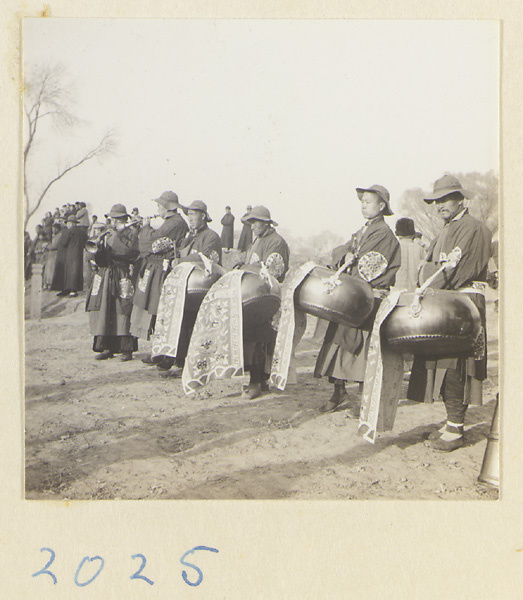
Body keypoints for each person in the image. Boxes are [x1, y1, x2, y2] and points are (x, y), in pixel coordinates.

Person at [407, 174, 492, 451]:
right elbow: (433, 270)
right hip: (448, 302)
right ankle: (451, 421)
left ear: (460, 199)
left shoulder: (473, 228)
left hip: (463, 304)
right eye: (436, 201)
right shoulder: (448, 228)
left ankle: (456, 428)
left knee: (456, 365)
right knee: (443, 363)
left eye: (445, 199)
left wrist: (424, 273)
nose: (439, 205)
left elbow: (450, 272)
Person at [314, 184, 401, 414]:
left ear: (381, 206)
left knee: (363, 349)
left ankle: (365, 398)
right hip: (351, 297)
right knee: (339, 344)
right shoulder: (364, 230)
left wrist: (352, 257)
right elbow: (341, 249)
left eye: (368, 202)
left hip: (367, 298)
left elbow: (367, 266)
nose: (363, 206)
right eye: (361, 202)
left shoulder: (383, 234)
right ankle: (338, 391)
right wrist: (346, 254)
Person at [154, 200, 222, 374]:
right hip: (186, 288)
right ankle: (175, 358)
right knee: (180, 321)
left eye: (194, 215)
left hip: (203, 289)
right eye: (188, 215)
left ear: (204, 216)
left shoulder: (211, 236)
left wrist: (181, 261)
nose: (190, 219)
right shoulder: (189, 237)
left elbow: (207, 258)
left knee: (194, 325)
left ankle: (187, 363)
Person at [238, 205, 290, 398]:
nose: (252, 227)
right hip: (254, 296)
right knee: (254, 340)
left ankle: (256, 383)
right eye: (250, 223)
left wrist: (247, 268)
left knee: (261, 340)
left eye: (255, 222)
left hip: (267, 297)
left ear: (266, 223)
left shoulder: (276, 242)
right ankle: (260, 381)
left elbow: (272, 272)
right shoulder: (257, 241)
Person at [131, 191, 188, 356]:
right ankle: (159, 350)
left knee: (159, 310)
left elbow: (152, 242)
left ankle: (162, 352)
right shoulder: (172, 222)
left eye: (158, 206)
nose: (157, 209)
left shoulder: (174, 223)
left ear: (166, 207)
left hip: (163, 270)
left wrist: (146, 227)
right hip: (159, 268)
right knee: (156, 311)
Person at [85, 203, 139, 361]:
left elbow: (129, 252)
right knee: (104, 309)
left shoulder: (131, 233)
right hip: (105, 273)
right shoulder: (108, 233)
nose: (113, 222)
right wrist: (99, 250)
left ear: (123, 219)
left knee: (122, 309)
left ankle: (126, 349)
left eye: (116, 219)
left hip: (121, 273)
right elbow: (98, 256)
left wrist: (116, 237)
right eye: (111, 219)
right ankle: (107, 347)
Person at [51, 215, 88, 297]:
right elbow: (86, 242)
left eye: (67, 223)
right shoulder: (82, 232)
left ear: (71, 224)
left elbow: (64, 243)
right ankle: (73, 290)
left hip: (69, 255)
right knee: (76, 271)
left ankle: (69, 290)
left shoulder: (69, 231)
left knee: (69, 272)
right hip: (79, 254)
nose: (67, 225)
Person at [394, 217, 426, 291]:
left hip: (396, 292)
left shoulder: (394, 248)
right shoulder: (420, 249)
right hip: (415, 291)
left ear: (397, 232)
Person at [43, 223, 63, 290]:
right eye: (52, 228)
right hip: (52, 255)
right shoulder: (56, 236)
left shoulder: (59, 236)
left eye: (55, 228)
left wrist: (46, 246)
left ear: (58, 229)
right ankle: (48, 284)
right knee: (49, 270)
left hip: (54, 255)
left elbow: (54, 246)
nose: (53, 230)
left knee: (51, 270)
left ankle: (50, 285)